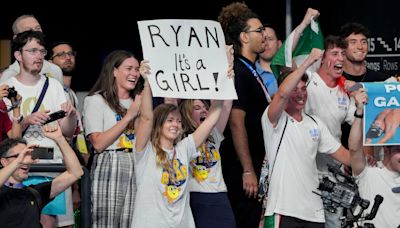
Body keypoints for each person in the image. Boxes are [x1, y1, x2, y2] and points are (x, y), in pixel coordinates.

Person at [261, 48, 351, 227]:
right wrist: (308, 62)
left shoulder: (315, 123)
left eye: (304, 89)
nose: (301, 94)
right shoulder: (273, 118)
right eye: (295, 89)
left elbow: (346, 156)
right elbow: (281, 94)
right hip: (284, 210)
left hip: (314, 214)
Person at [131, 59, 226, 227]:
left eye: (178, 121)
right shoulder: (146, 152)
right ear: (159, 125)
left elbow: (211, 121)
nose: (175, 124)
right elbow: (146, 118)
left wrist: (222, 81)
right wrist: (147, 83)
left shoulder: (184, 149)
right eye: (169, 120)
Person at [2, 30, 77, 228]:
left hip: (53, 165)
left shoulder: (52, 84)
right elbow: (10, 137)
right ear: (18, 55)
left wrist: (71, 115)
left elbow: (68, 131)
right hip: (20, 168)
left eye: (42, 51)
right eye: (32, 51)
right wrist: (26, 120)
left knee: (52, 223)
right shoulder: (6, 86)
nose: (39, 56)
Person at [217, 3, 268, 227]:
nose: (264, 35)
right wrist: (248, 170)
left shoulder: (251, 69)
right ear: (244, 37)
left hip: (255, 164)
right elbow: (236, 122)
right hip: (240, 167)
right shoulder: (238, 71)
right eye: (259, 30)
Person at [82, 50, 142, 228]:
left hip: (137, 162)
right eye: (129, 68)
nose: (134, 73)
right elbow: (98, 144)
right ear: (114, 71)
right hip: (111, 161)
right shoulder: (96, 100)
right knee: (106, 223)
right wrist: (128, 117)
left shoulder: (138, 101)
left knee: (132, 222)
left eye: (137, 69)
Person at [304, 35, 357, 227]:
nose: (341, 59)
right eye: (335, 53)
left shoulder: (345, 90)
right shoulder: (307, 81)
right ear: (322, 58)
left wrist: (360, 104)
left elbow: (357, 122)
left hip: (335, 175)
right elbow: (284, 65)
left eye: (343, 54)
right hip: (306, 172)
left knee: (334, 224)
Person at [0, 123, 83, 228]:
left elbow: (76, 173)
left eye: (28, 155)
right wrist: (18, 161)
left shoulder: (35, 193)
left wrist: (59, 139)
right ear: (4, 162)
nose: (25, 160)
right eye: (19, 155)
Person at [348, 89, 400, 228]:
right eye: (399, 150)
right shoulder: (370, 171)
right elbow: (354, 149)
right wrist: (359, 112)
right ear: (386, 149)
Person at [180, 99, 235, 228]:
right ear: (186, 113)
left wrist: (226, 80)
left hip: (221, 198)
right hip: (197, 198)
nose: (204, 110)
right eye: (197, 108)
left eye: (205, 107)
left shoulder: (213, 135)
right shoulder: (180, 140)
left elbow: (226, 104)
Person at [0, 14, 63, 85]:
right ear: (16, 38)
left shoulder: (54, 70)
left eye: (38, 28)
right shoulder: (8, 76)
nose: (35, 33)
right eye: (28, 30)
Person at [255, 24, 281, 97]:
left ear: (279, 44)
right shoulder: (250, 73)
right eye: (263, 40)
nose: (266, 43)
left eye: (270, 39)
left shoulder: (288, 71)